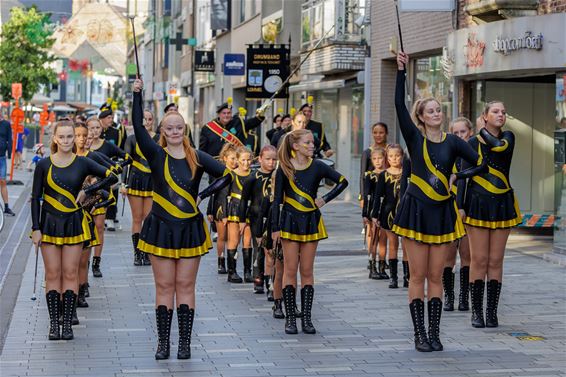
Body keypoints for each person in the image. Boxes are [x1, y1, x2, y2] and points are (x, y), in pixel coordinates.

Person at [394, 52, 492, 352]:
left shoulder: (453, 142)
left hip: (441, 213)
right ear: (421, 117)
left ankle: (435, 334)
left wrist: (456, 178)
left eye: (439, 109)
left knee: (437, 276)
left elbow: (480, 163)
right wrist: (401, 72)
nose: (436, 113)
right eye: (430, 110)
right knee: (418, 276)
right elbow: (399, 105)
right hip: (415, 211)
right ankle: (418, 334)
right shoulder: (414, 139)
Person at [132, 79, 232, 360]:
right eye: (169, 128)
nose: (175, 132)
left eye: (179, 127)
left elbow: (226, 176)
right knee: (164, 287)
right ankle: (163, 343)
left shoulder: (197, 157)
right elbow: (139, 127)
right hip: (160, 227)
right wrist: (136, 94)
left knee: (186, 287)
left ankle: (184, 344)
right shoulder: (155, 154)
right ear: (162, 131)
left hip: (190, 228)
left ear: (185, 130)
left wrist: (202, 195)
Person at [30, 120, 117, 341]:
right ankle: (53, 324)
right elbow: (35, 199)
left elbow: (112, 176)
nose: (67, 141)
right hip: (48, 225)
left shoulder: (83, 162)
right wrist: (35, 229)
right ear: (55, 138)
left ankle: (67, 323)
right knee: (52, 274)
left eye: (71, 136)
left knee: (70, 273)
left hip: (74, 224)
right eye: (63, 137)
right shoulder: (43, 165)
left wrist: (89, 190)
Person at [272, 129, 348, 335]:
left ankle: (306, 318)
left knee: (306, 270)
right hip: (288, 222)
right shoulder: (284, 168)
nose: (312, 146)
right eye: (307, 143)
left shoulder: (318, 166)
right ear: (295, 146)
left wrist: (324, 199)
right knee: (289, 270)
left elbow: (343, 182)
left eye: (312, 143)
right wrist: (274, 228)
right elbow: (277, 200)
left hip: (311, 221)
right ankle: (290, 319)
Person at [460, 101, 522, 329]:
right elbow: (462, 176)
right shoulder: (471, 143)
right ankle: (476, 311)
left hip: (502, 203)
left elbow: (498, 147)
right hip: (477, 204)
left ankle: (492, 311)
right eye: (495, 111)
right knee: (479, 259)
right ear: (484, 116)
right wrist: (460, 206)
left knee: (496, 260)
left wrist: (483, 128)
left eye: (504, 112)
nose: (501, 115)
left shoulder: (509, 137)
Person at [87, 116, 132, 277]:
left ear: (102, 129)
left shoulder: (107, 146)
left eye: (97, 128)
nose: (94, 131)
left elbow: (127, 158)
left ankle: (96, 263)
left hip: (102, 192)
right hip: (83, 194)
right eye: (91, 128)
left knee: (99, 227)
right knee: (85, 228)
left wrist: (115, 170)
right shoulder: (80, 147)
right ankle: (83, 262)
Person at [443, 117, 474, 312]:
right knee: (448, 255)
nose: (460, 136)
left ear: (470, 132)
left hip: (470, 209)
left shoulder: (473, 155)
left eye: (463, 132)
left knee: (467, 254)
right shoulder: (447, 154)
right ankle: (448, 295)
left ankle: (464, 296)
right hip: (448, 208)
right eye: (456, 133)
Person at [122, 109, 159, 266]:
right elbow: (125, 163)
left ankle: (146, 251)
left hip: (152, 182)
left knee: (148, 218)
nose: (147, 122)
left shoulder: (159, 138)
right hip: (136, 180)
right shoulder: (131, 139)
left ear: (153, 121)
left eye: (150, 119)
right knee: (137, 218)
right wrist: (123, 183)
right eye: (144, 119)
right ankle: (137, 253)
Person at [239, 145, 277, 293]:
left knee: (272, 251)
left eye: (274, 159)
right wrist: (242, 220)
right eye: (268, 159)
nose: (271, 162)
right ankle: (258, 279)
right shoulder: (252, 177)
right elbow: (243, 200)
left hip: (273, 218)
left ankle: (271, 280)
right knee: (259, 248)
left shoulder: (278, 176)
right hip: (256, 218)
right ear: (260, 158)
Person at [371, 145, 405, 288]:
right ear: (387, 158)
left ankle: (407, 276)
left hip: (404, 212)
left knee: (406, 246)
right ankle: (394, 277)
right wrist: (374, 214)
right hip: (388, 213)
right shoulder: (384, 175)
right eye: (390, 156)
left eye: (397, 156)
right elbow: (378, 195)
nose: (394, 159)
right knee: (393, 244)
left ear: (402, 156)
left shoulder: (407, 173)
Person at [225, 147, 255, 283]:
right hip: (234, 209)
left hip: (249, 209)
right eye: (243, 159)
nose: (246, 163)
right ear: (237, 160)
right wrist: (223, 214)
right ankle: (232, 272)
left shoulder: (254, 174)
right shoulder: (231, 174)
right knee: (233, 240)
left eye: (249, 160)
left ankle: (248, 272)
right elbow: (223, 195)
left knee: (247, 241)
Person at [199, 99, 265, 160]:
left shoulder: (238, 123)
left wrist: (260, 116)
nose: (226, 115)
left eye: (229, 113)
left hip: (235, 162)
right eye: (224, 113)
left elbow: (252, 123)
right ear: (219, 114)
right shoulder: (208, 128)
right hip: (215, 163)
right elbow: (202, 149)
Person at [207, 143, 238, 274]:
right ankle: (221, 261)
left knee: (233, 238)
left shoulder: (238, 173)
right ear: (225, 158)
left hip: (234, 207)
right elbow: (212, 192)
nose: (235, 161)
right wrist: (209, 210)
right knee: (222, 237)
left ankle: (232, 264)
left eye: (237, 158)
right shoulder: (219, 172)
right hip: (220, 206)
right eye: (232, 158)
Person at [98, 102, 126, 230]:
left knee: (113, 192)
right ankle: (100, 217)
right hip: (97, 167)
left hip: (111, 166)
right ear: (102, 119)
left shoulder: (116, 132)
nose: (111, 119)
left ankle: (110, 218)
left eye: (111, 117)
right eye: (108, 117)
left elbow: (119, 149)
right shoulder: (96, 132)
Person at [361, 148, 387, 279]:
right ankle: (372, 267)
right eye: (375, 159)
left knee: (383, 239)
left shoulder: (388, 174)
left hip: (386, 209)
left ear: (385, 158)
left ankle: (382, 266)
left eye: (380, 158)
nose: (378, 161)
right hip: (373, 210)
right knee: (374, 238)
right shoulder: (369, 175)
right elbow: (367, 195)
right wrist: (365, 214)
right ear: (371, 160)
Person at [360, 122, 389, 203]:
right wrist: (362, 197)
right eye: (375, 133)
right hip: (372, 192)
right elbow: (362, 176)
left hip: (389, 191)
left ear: (386, 133)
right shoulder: (367, 153)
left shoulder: (391, 150)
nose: (378, 135)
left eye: (381, 132)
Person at [0, 114, 15, 216]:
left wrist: (9, 153)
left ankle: (6, 207)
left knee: (3, 181)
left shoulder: (6, 124)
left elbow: (10, 138)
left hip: (1, 157)